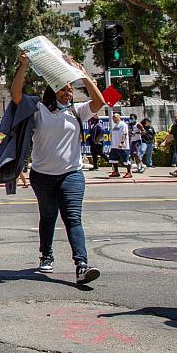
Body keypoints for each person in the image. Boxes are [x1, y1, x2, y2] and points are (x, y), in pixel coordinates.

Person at [10, 49, 104, 284]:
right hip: (42, 176)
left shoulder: (77, 111)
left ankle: (82, 265)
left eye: (70, 90)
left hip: (72, 174)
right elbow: (16, 95)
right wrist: (23, 66)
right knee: (48, 216)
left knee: (73, 218)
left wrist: (84, 76)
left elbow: (100, 102)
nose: (68, 93)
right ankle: (46, 254)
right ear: (52, 90)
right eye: (63, 89)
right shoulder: (38, 110)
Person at [108, 113, 132, 179]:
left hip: (123, 147)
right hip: (114, 146)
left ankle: (129, 172)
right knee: (113, 159)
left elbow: (124, 134)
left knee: (125, 160)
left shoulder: (123, 125)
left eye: (115, 117)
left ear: (119, 117)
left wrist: (122, 143)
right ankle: (116, 172)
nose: (113, 119)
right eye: (113, 118)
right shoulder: (115, 125)